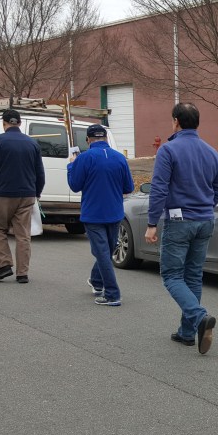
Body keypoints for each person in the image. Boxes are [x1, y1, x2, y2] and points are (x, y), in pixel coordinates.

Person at [145, 103, 218, 355]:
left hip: (180, 221)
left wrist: (151, 223)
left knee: (171, 275)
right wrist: (204, 206)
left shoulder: (168, 150)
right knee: (193, 276)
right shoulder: (212, 152)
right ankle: (187, 331)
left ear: (176, 122)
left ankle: (198, 316)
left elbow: (158, 188)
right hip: (205, 220)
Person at [67, 124, 135, 307]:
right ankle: (97, 282)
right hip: (114, 212)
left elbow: (74, 185)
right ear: (105, 138)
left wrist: (71, 166)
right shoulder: (120, 158)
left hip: (93, 213)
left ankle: (112, 293)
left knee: (103, 252)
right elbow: (129, 187)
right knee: (107, 250)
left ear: (88, 140)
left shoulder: (84, 158)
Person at [0, 109, 45, 284]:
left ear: (4, 123)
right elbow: (40, 173)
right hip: (27, 194)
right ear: (20, 123)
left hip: (3, 193)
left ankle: (4, 265)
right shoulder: (32, 144)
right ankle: (22, 273)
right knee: (23, 234)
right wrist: (37, 192)